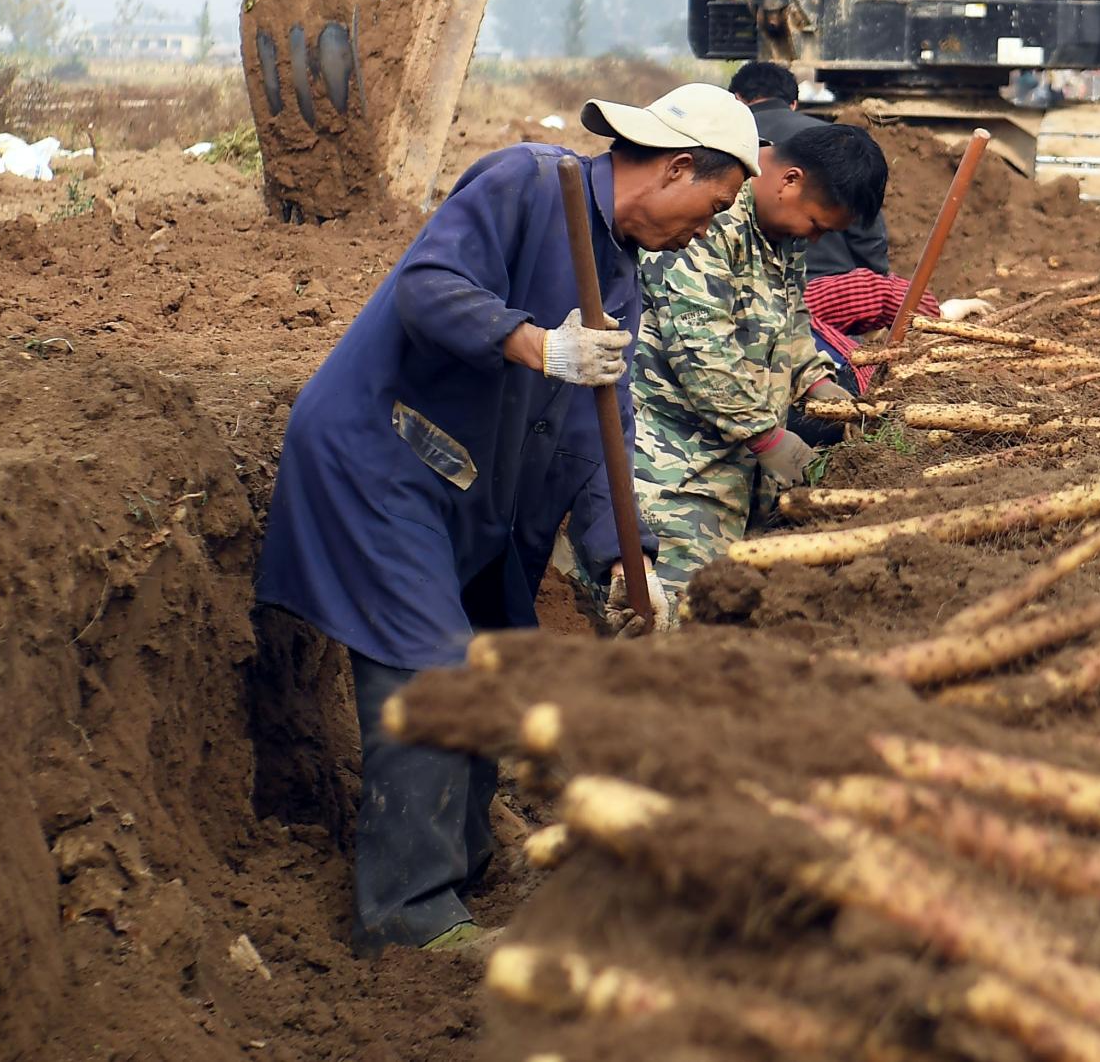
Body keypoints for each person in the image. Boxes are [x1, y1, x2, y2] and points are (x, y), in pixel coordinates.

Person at [256, 83, 757, 955]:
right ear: (678, 168)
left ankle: (462, 863)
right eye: (710, 207)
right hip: (384, 456)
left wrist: (617, 560)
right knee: (435, 668)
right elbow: (428, 288)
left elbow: (607, 427)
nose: (706, 230)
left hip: (471, 488)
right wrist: (536, 343)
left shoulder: (622, 277)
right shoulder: (526, 183)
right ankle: (406, 918)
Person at [628, 118, 889, 622]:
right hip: (675, 469)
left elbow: (790, 320)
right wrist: (769, 438)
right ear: (789, 181)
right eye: (816, 225)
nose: (813, 241)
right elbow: (701, 349)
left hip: (738, 466)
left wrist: (818, 382)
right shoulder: (712, 216)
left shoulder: (780, 229)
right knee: (671, 620)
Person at [727, 61, 892, 280]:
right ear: (793, 103)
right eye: (815, 224)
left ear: (737, 98)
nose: (813, 238)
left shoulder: (723, 143)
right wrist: (876, 280)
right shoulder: (837, 144)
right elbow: (866, 233)